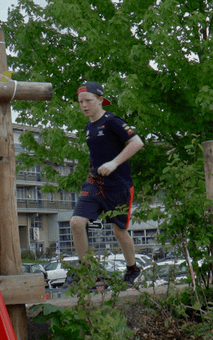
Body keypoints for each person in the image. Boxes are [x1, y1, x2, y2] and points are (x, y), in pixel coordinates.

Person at [66, 81, 145, 288]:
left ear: (100, 100)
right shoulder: (88, 127)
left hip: (118, 185)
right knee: (76, 222)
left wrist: (114, 163)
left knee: (119, 231)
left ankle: (132, 269)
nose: (84, 105)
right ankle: (87, 271)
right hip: (94, 183)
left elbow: (137, 143)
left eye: (88, 101)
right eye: (80, 102)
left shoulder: (112, 122)